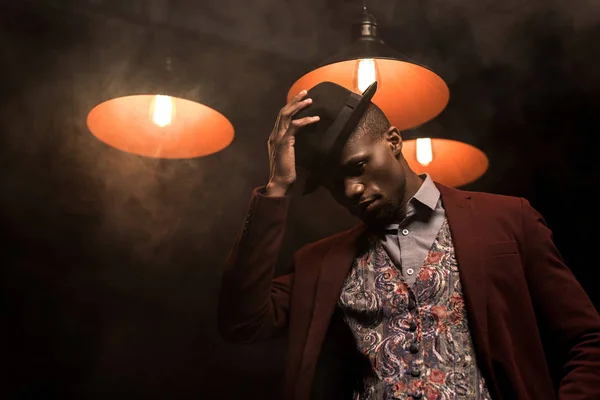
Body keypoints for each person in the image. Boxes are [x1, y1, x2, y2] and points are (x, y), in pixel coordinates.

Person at [217, 81, 600, 400]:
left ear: (394, 141)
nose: (351, 190)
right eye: (336, 184)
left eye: (358, 167)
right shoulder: (319, 262)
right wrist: (277, 186)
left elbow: (588, 339)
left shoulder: (507, 219)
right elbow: (241, 323)